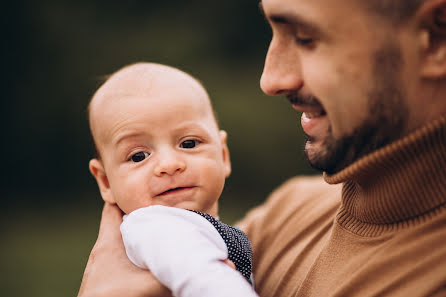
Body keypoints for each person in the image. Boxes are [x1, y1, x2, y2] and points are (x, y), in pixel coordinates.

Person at [78, 0, 446, 296]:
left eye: (305, 38)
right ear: (103, 178)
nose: (271, 79)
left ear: (435, 38)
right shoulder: (283, 218)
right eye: (139, 155)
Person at [85, 62, 257, 297]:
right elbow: (204, 279)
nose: (169, 165)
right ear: (105, 182)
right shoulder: (153, 226)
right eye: (138, 156)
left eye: (188, 143)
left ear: (223, 155)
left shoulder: (199, 226)